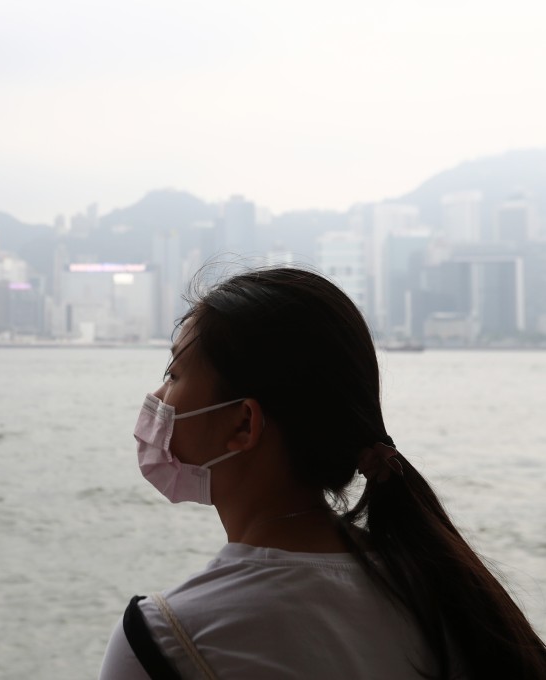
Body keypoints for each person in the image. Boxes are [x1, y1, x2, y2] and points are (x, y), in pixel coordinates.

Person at [99, 267, 546, 679]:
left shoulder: (164, 641)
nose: (157, 396)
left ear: (243, 424)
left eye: (173, 373)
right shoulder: (451, 597)